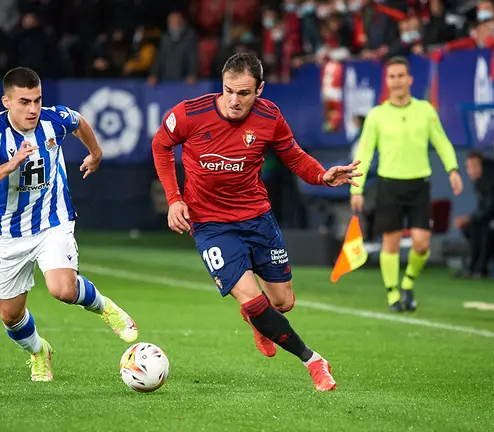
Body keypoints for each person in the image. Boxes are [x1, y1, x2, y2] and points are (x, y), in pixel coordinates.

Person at [152, 53, 361, 392]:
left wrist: (322, 175)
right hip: (210, 224)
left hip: (256, 216)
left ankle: (257, 318)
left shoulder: (269, 117)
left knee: (282, 303)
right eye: (229, 91)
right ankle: (313, 361)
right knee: (252, 299)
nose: (234, 101)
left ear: (259, 90)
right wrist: (175, 198)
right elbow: (161, 145)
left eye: (244, 93)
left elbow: (294, 156)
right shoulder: (190, 113)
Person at [0, 67, 138, 382]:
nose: (33, 109)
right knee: (10, 315)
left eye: (37, 100)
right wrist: (10, 165)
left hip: (53, 220)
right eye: (24, 102)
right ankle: (39, 351)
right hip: (11, 233)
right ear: (6, 101)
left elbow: (78, 121)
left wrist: (96, 153)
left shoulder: (53, 119)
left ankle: (106, 308)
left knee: (62, 289)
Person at [350, 56, 463, 312]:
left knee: (422, 244)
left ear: (410, 79)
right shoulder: (377, 115)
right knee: (390, 241)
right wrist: (356, 188)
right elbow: (364, 154)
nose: (397, 81)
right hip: (389, 185)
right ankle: (393, 294)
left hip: (419, 185)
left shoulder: (425, 111)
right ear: (387, 81)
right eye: (392, 76)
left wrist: (453, 169)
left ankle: (408, 282)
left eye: (401, 75)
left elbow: (442, 142)